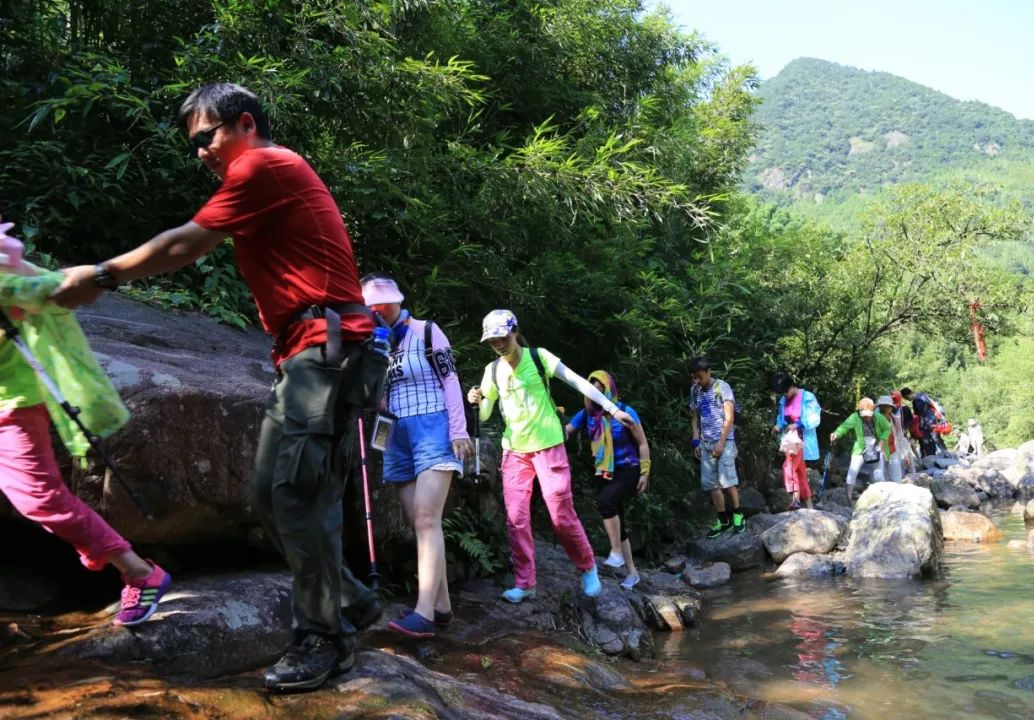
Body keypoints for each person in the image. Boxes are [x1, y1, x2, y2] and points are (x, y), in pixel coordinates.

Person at [51, 84, 382, 692]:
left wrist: (100, 274)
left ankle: (325, 641)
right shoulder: (261, 176)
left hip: (326, 350)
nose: (201, 152)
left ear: (245, 124)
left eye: (207, 137)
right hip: (307, 352)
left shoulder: (264, 164)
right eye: (194, 145)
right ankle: (350, 601)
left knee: (293, 493)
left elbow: (184, 243)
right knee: (271, 491)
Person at [0, 220, 170, 626]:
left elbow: (50, 290)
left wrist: (91, 277)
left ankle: (140, 573)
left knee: (39, 498)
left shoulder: (11, 274)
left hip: (14, 403)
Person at [466, 310, 635, 604]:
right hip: (515, 450)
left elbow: (578, 382)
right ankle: (525, 582)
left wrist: (611, 408)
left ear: (514, 332)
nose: (499, 344)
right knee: (517, 518)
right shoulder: (492, 371)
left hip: (549, 444)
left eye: (502, 338)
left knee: (560, 515)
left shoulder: (538, 357)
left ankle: (587, 567)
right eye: (493, 341)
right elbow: (484, 413)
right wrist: (476, 401)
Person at [362, 274, 470, 639]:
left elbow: (451, 381)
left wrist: (459, 430)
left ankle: (423, 614)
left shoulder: (426, 332)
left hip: (433, 427)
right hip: (396, 434)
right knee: (418, 522)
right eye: (371, 305)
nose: (377, 310)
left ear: (395, 301)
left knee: (426, 517)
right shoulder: (376, 343)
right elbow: (375, 394)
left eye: (382, 302)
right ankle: (441, 607)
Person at [565, 370, 650, 590]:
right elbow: (568, 431)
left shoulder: (624, 411)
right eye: (592, 390)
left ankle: (616, 552)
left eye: (600, 389)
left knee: (605, 502)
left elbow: (642, 443)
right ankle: (632, 573)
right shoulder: (587, 414)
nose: (596, 395)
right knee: (616, 518)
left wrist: (645, 473)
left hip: (628, 469)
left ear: (608, 389)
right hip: (604, 471)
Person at [688, 358, 746, 536]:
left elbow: (729, 418)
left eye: (700, 377)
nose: (697, 381)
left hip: (725, 441)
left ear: (709, 372)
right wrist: (696, 440)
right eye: (694, 378)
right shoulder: (695, 390)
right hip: (706, 442)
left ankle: (738, 514)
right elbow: (695, 417)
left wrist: (721, 443)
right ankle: (722, 520)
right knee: (711, 484)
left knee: (727, 481)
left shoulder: (722, 387)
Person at [772, 372, 821, 509]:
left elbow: (815, 418)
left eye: (786, 391)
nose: (785, 395)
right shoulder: (783, 400)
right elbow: (782, 420)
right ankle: (810, 506)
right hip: (790, 441)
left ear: (792, 385)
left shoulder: (807, 397)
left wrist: (798, 424)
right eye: (782, 393)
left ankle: (796, 500)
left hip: (801, 441)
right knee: (799, 472)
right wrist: (778, 426)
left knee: (789, 467)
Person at [831, 398, 892, 502]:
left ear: (873, 410)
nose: (867, 417)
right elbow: (844, 427)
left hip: (877, 448)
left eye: (869, 414)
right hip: (860, 448)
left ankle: (882, 499)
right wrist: (837, 433)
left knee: (878, 475)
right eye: (864, 414)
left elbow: (887, 428)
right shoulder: (855, 417)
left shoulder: (878, 417)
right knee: (852, 472)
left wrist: (883, 439)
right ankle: (848, 499)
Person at [900, 388, 947, 457]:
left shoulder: (920, 398)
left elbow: (924, 411)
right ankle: (941, 453)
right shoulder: (919, 398)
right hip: (929, 422)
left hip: (930, 422)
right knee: (933, 439)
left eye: (906, 398)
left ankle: (942, 453)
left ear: (909, 394)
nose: (907, 399)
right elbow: (921, 413)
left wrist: (920, 425)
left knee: (934, 438)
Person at [875, 395, 908, 481]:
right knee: (879, 475)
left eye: (887, 406)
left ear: (891, 407)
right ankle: (879, 492)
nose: (885, 408)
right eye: (883, 406)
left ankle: (896, 491)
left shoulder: (895, 419)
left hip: (893, 448)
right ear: (879, 407)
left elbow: (900, 436)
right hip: (879, 449)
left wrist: (905, 453)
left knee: (896, 474)